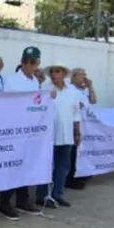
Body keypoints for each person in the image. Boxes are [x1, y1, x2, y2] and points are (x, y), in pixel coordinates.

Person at [0, 46, 45, 219]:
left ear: (38, 63)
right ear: (22, 62)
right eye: (26, 61)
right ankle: (4, 203)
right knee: (12, 166)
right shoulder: (12, 80)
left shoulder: (35, 82)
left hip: (30, 130)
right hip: (15, 130)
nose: (29, 65)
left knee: (26, 166)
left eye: (33, 62)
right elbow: (7, 104)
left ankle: (22, 200)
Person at [44, 64, 81, 207]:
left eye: (57, 71)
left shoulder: (72, 91)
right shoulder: (45, 89)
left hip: (66, 135)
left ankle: (58, 194)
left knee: (63, 166)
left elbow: (76, 113)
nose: (54, 74)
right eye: (52, 72)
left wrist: (77, 132)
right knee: (47, 166)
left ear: (64, 74)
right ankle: (44, 196)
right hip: (49, 135)